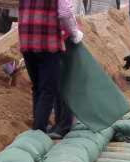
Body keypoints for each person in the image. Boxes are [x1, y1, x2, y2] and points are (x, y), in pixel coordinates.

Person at [18, 0, 84, 137]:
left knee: (37, 87)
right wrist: (74, 33)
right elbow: (65, 13)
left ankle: (38, 127)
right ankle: (39, 130)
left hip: (26, 43)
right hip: (48, 44)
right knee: (48, 89)